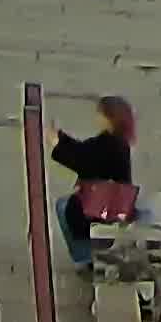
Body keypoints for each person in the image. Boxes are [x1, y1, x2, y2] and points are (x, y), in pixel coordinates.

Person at [50, 93, 136, 269]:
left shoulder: (107, 144)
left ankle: (84, 259)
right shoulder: (119, 142)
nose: (97, 118)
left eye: (100, 114)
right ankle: (87, 255)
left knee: (64, 207)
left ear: (108, 118)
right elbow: (84, 151)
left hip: (104, 208)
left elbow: (82, 159)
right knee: (66, 204)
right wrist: (61, 139)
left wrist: (56, 143)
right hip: (117, 204)